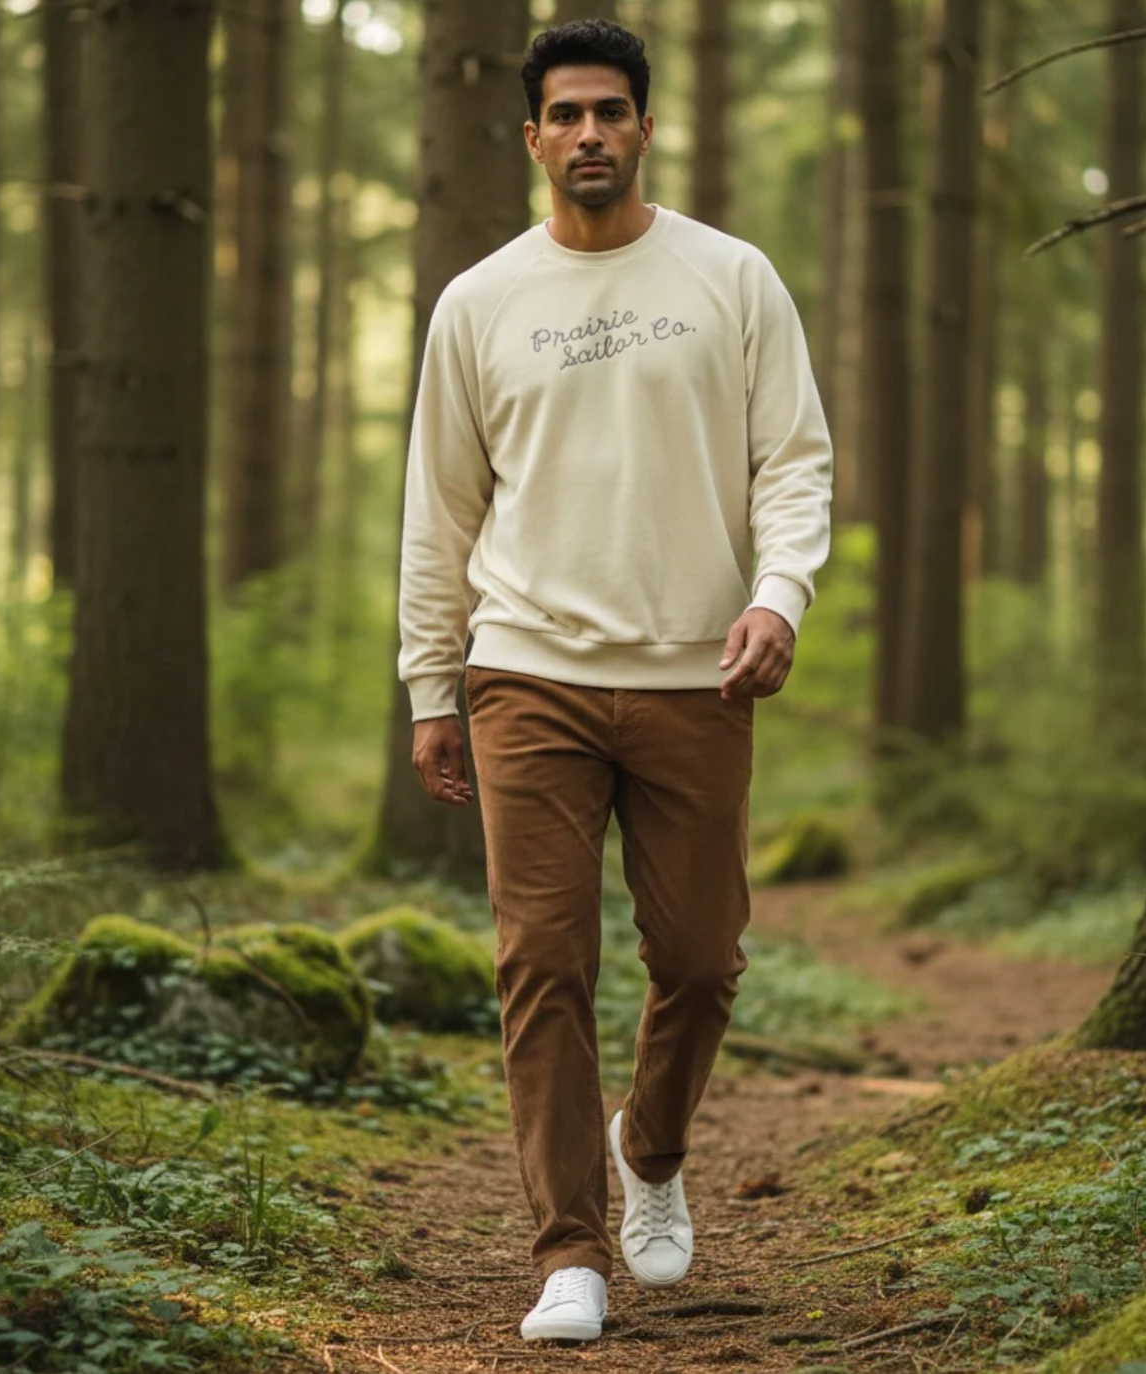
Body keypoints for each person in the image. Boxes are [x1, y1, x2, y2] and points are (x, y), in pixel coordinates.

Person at [397, 18, 833, 1345]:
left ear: (644, 126)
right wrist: (430, 683)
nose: (589, 133)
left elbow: (794, 463)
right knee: (541, 960)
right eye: (565, 114)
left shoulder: (733, 278)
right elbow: (440, 510)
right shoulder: (478, 301)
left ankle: (646, 1146)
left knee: (699, 959)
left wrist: (776, 593)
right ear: (530, 135)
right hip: (523, 670)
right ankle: (567, 1251)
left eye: (610, 111)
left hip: (696, 673)